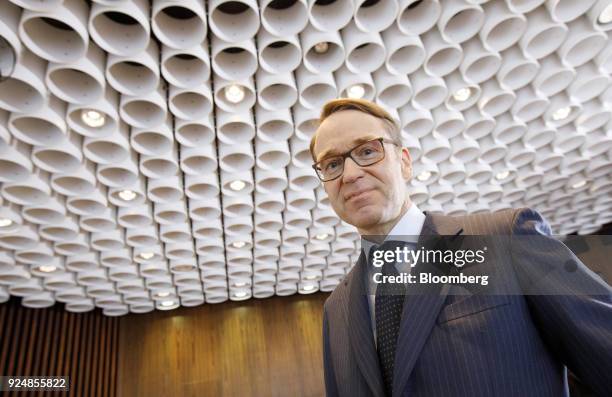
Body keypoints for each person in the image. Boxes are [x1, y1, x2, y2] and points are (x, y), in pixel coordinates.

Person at [312, 98, 612, 397]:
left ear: (404, 162)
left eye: (367, 151)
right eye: (332, 164)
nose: (350, 174)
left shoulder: (506, 239)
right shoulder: (336, 309)